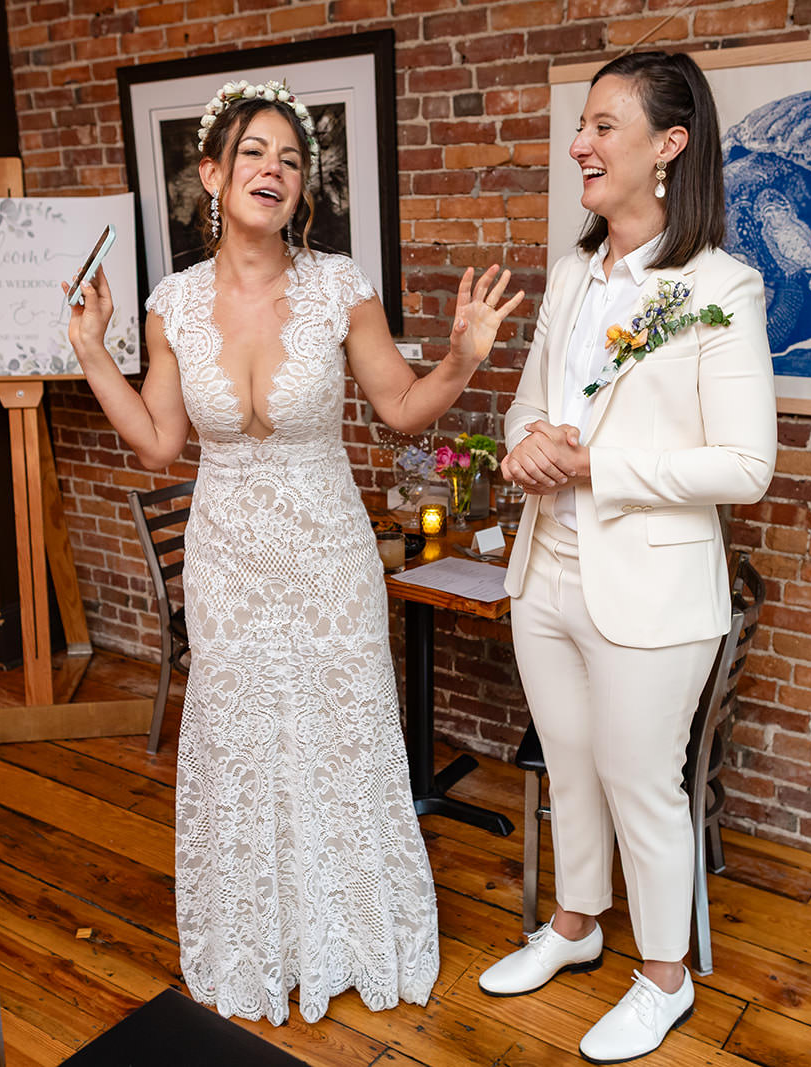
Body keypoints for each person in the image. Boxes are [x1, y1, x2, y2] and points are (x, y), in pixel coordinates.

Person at [64, 79, 524, 1025]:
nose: (273, 170)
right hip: (227, 561)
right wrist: (92, 350)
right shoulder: (172, 305)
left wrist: (463, 358)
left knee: (340, 736)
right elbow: (158, 444)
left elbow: (402, 410)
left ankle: (352, 933)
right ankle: (259, 941)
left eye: (290, 158)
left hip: (326, 556)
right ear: (211, 175)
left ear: (301, 186)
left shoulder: (339, 287)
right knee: (240, 742)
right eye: (254, 154)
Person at [480, 51, 776, 1063]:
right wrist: (527, 444)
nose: (579, 144)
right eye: (582, 125)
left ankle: (664, 977)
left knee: (640, 781)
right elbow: (529, 404)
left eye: (603, 126)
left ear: (669, 145)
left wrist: (593, 463)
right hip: (544, 571)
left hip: (650, 585)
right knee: (569, 764)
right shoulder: (572, 274)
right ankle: (574, 925)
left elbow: (745, 464)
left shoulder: (721, 286)